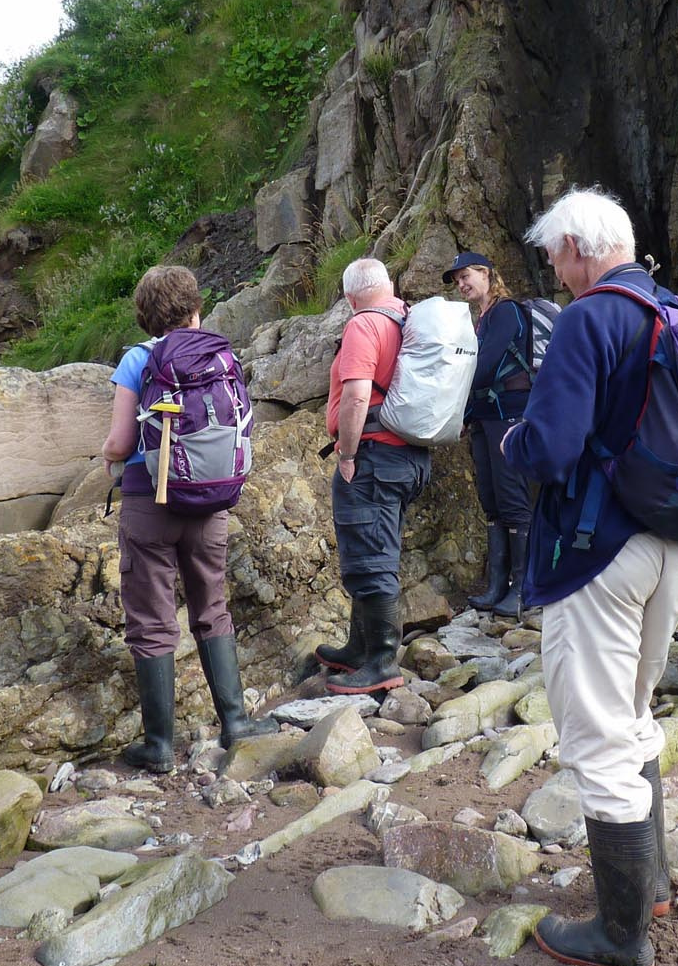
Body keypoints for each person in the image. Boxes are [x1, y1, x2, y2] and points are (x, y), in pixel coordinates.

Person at [501, 188, 678, 966]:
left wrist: (511, 441)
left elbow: (550, 448)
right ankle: (653, 888)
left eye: (553, 256)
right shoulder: (674, 311)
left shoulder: (588, 318)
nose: (554, 271)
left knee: (598, 739)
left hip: (602, 550)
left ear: (577, 246)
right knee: (633, 714)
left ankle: (620, 934)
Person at [102, 265, 276, 771]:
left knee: (152, 619)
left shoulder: (138, 359)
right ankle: (235, 722)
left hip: (150, 504)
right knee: (212, 606)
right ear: (196, 309)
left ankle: (158, 745)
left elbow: (119, 442)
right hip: (210, 500)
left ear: (144, 316)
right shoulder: (220, 355)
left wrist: (107, 458)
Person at [312, 258, 432, 694]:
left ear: (349, 297)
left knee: (371, 558)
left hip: (375, 457)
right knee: (374, 549)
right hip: (409, 458)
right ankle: (358, 648)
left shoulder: (364, 324)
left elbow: (357, 396)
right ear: (389, 284)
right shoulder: (408, 320)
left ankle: (382, 662)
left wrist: (346, 454)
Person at [444, 250, 531, 618]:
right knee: (490, 498)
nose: (462, 284)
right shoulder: (481, 319)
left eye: (466, 276)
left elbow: (485, 365)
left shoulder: (507, 312)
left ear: (486, 273)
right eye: (458, 281)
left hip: (509, 414)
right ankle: (497, 585)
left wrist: (449, 395)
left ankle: (522, 589)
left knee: (512, 497)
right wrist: (464, 414)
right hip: (483, 416)